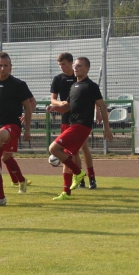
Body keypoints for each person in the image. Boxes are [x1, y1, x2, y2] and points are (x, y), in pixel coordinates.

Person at [48, 57, 113, 200]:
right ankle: (66, 192)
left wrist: (106, 128)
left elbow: (102, 106)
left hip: (81, 125)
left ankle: (78, 172)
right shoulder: (73, 87)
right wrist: (55, 108)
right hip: (73, 124)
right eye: (75, 66)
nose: (76, 68)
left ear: (87, 69)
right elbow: (67, 107)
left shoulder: (91, 86)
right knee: (67, 156)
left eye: (79, 66)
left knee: (53, 148)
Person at [0, 52, 34, 207]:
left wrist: (27, 129)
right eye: (0, 65)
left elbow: (29, 106)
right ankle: (0, 197)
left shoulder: (18, 84)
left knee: (3, 156)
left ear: (11, 67)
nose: (3, 68)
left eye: (6, 65)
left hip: (12, 126)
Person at [49, 52, 98, 189]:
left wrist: (97, 111)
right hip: (66, 117)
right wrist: (59, 104)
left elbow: (92, 97)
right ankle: (79, 179)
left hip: (81, 119)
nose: (61, 67)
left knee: (84, 147)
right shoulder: (58, 79)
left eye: (64, 64)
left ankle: (91, 177)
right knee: (72, 152)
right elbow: (53, 99)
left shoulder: (80, 77)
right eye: (60, 65)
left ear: (71, 63)